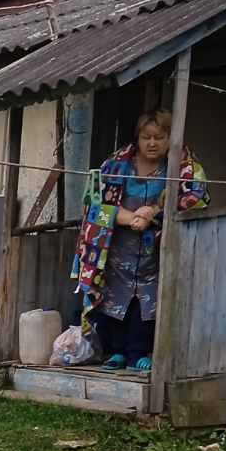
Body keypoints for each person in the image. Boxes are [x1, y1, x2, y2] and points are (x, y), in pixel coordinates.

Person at [71, 110, 208, 372]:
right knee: (114, 300)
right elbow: (93, 203)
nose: (153, 143)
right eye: (147, 137)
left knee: (147, 304)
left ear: (170, 138)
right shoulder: (116, 166)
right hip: (117, 250)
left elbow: (198, 199)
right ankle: (117, 352)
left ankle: (139, 353)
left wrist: (155, 211)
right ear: (138, 138)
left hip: (156, 253)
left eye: (160, 137)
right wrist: (125, 217)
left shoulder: (183, 168)